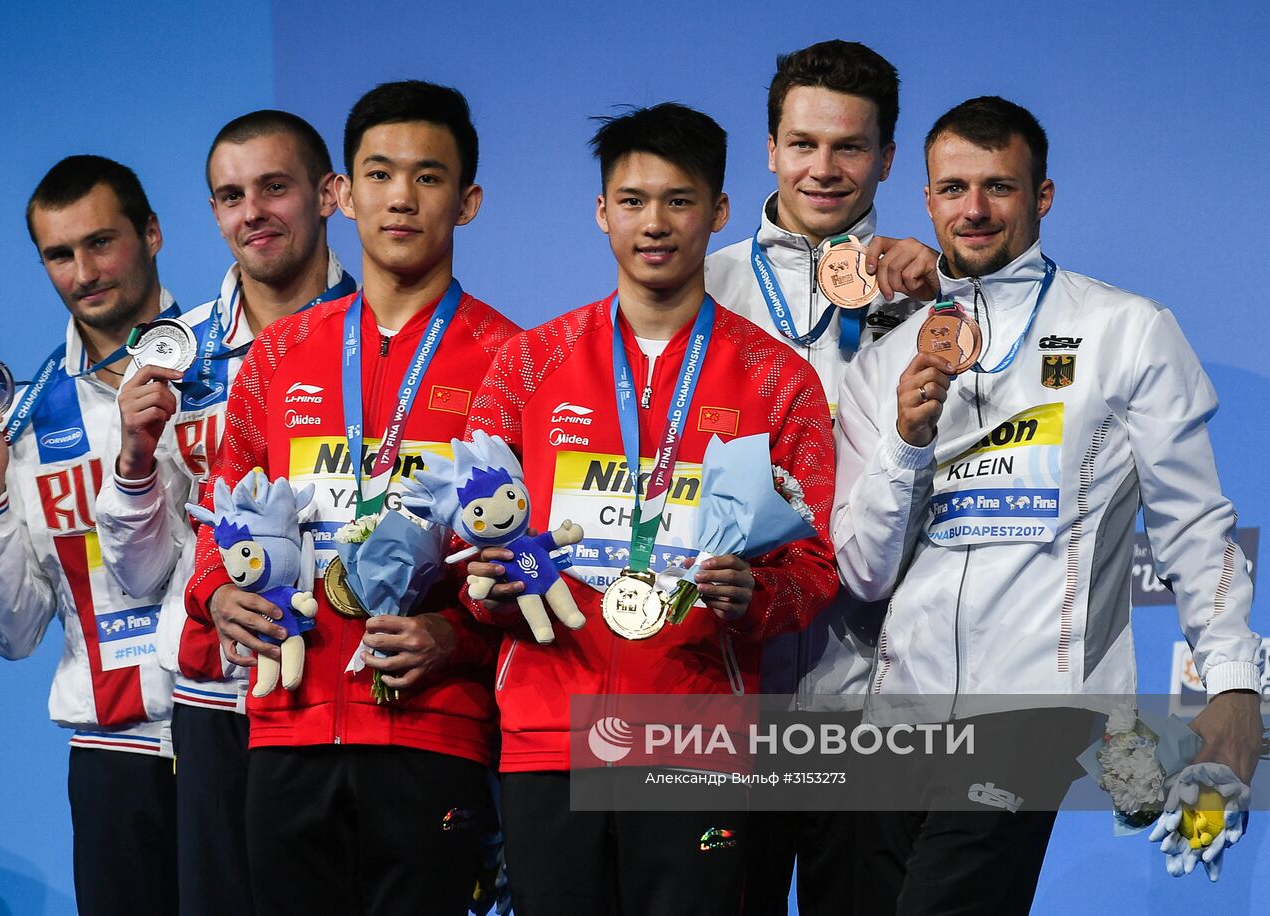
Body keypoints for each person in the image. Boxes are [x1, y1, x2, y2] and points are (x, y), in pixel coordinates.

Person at [833, 95, 1264, 913]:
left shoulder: (1126, 329)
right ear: (926, 200)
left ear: (1043, 196)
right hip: (896, 712)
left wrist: (1235, 685)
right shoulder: (886, 357)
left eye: (999, 186)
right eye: (954, 188)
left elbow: (1193, 525)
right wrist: (906, 443)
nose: (975, 209)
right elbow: (863, 570)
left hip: (1036, 703)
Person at [463, 102, 838, 916]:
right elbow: (472, 552)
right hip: (546, 739)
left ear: (719, 211)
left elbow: (814, 567)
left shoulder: (779, 382)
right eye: (631, 201)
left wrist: (757, 598)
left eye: (679, 200)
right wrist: (487, 584)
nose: (654, 223)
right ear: (602, 212)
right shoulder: (526, 366)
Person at [184, 80, 518, 915]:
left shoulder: (514, 360)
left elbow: (533, 560)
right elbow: (221, 520)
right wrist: (216, 592)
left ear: (467, 202)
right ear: (342, 194)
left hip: (433, 726)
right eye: (378, 173)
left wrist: (456, 634)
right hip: (287, 723)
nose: (400, 198)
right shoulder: (278, 357)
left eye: (429, 177)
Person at [93, 110, 356, 916]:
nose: (252, 213)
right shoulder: (173, 357)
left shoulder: (390, 340)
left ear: (329, 194)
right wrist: (135, 461)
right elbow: (140, 573)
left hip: (354, 695)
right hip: (220, 705)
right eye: (230, 196)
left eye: (274, 188)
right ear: (212, 213)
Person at [703, 40, 933, 914]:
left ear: (887, 157)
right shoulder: (703, 285)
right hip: (729, 693)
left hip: (876, 701)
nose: (824, 169)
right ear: (768, 147)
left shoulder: (930, 297)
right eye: (803, 144)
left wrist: (937, 285)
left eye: (850, 147)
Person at [0, 155, 179, 915]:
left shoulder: (236, 368)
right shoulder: (24, 419)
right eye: (59, 254)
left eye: (102, 243)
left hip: (244, 726)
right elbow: (13, 634)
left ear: (151, 234)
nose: (84, 272)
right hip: (113, 756)